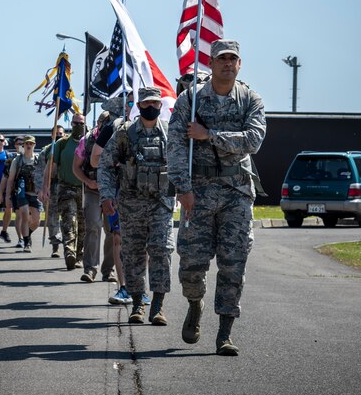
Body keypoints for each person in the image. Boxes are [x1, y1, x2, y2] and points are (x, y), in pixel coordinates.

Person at [167, 38, 266, 356]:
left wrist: (210, 135)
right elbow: (177, 146)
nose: (227, 63)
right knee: (192, 265)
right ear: (211, 63)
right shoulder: (190, 101)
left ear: (240, 64)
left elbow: (253, 140)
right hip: (198, 192)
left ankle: (225, 333)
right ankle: (194, 304)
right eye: (221, 58)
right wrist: (183, 189)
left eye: (232, 59)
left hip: (237, 192)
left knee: (233, 264)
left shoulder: (250, 99)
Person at [99, 87, 175, 325]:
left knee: (162, 251)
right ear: (138, 106)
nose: (150, 106)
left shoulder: (171, 134)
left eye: (154, 102)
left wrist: (186, 191)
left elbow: (182, 166)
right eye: (145, 103)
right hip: (131, 205)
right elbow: (105, 165)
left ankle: (158, 306)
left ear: (160, 106)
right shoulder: (124, 133)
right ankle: (138, 303)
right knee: (133, 255)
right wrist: (106, 195)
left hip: (161, 204)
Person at [92, 92, 135, 305]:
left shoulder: (148, 126)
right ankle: (124, 287)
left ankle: (139, 287)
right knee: (118, 238)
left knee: (142, 244)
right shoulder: (111, 128)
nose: (131, 105)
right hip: (118, 191)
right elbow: (94, 159)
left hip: (143, 193)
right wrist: (116, 160)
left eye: (133, 101)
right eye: (128, 101)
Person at [73, 111, 116, 283]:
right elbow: (75, 167)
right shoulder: (86, 141)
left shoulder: (118, 138)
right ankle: (90, 268)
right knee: (92, 226)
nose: (106, 125)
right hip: (93, 189)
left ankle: (109, 271)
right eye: (104, 122)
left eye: (109, 122)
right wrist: (87, 181)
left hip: (112, 192)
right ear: (98, 123)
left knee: (112, 231)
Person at [40, 114, 86, 271]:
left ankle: (79, 256)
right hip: (66, 187)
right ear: (71, 124)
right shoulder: (62, 143)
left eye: (81, 123)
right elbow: (50, 168)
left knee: (83, 224)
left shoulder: (89, 142)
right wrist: (45, 187)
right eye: (76, 123)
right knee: (69, 219)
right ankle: (69, 252)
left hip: (85, 189)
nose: (78, 125)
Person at [4, 135, 42, 253]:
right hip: (21, 193)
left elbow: (44, 176)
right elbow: (10, 179)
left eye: (31, 143)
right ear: (23, 145)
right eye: (26, 144)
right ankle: (26, 243)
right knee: (25, 214)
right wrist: (7, 197)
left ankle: (28, 234)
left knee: (36, 220)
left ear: (34, 145)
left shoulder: (38, 159)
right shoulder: (17, 160)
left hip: (35, 193)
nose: (29, 145)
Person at [35, 125, 65, 257]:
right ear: (52, 135)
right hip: (51, 188)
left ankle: (70, 245)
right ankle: (55, 246)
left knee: (69, 218)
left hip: (66, 186)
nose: (58, 135)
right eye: (56, 134)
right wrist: (41, 189)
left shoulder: (68, 148)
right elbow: (39, 171)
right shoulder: (46, 151)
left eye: (61, 133)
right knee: (52, 218)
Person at [0, 135, 25, 248]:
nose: (21, 145)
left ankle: (26, 236)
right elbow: (5, 177)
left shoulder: (33, 157)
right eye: (18, 143)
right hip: (16, 190)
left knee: (29, 217)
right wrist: (2, 193)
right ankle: (21, 239)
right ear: (15, 145)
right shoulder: (10, 159)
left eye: (22, 143)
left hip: (29, 190)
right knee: (19, 215)